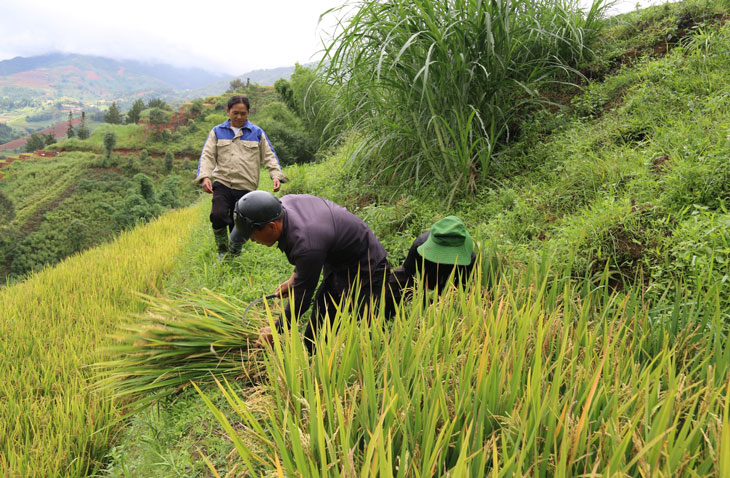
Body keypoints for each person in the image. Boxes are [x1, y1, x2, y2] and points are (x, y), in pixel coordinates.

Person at [229, 191, 389, 353]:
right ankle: (319, 366)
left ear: (271, 226)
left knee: (368, 335)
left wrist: (276, 330)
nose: (252, 240)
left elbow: (301, 297)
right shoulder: (281, 207)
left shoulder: (307, 244)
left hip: (367, 269)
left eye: (252, 235)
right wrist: (295, 279)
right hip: (338, 264)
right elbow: (308, 258)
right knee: (315, 335)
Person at [195, 95, 287, 259]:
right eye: (235, 113)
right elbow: (207, 156)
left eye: (243, 113)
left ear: (248, 113)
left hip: (246, 187)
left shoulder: (256, 133)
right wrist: (205, 177)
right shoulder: (217, 131)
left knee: (241, 223)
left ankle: (234, 254)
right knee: (218, 214)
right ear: (228, 111)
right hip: (223, 183)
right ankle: (222, 250)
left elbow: (269, 156)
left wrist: (276, 175)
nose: (239, 117)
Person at [385, 215, 476, 317]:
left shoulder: (468, 257)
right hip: (424, 279)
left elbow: (463, 290)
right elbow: (407, 274)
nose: (445, 260)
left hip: (450, 287)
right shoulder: (420, 246)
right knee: (391, 288)